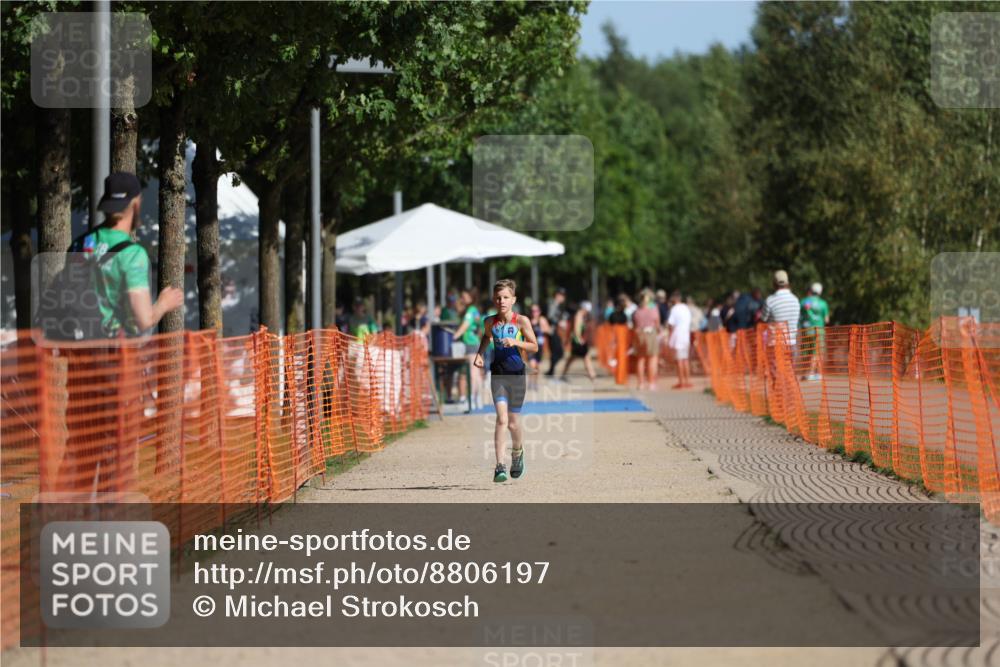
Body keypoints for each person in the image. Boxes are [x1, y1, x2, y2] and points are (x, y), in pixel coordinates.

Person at [57, 172, 184, 493]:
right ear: (135, 203)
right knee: (116, 452)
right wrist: (163, 304)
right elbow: (142, 320)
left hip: (80, 363)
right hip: (116, 364)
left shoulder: (80, 245)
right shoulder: (131, 254)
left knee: (81, 449)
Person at [473, 279, 538, 483]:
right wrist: (480, 354)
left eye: (506, 297)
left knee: (513, 423)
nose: (502, 301)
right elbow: (486, 337)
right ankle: (499, 465)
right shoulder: (489, 322)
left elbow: (534, 346)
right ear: (494, 300)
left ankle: (517, 453)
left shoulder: (521, 321)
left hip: (517, 375)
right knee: (501, 419)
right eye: (498, 298)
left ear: (513, 300)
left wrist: (516, 341)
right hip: (498, 375)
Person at [453, 289, 483, 408]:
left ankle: (471, 399)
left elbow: (465, 325)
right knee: (476, 372)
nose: (462, 299)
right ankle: (477, 398)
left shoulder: (471, 311)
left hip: (470, 344)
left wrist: (455, 336)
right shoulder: (474, 310)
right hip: (474, 343)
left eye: (464, 297)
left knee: (473, 372)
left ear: (471, 298)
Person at [761, 270, 801, 349]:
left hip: (775, 344)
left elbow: (763, 321)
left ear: (774, 284)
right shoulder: (795, 300)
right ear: (787, 283)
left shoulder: (770, 300)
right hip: (791, 344)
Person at [800, 282, 830, 381]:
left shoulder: (804, 301)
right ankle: (812, 373)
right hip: (818, 331)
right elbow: (826, 320)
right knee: (816, 353)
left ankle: (805, 373)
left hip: (806, 330)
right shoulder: (823, 303)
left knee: (806, 352)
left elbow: (800, 315)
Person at [632, 289, 661, 390]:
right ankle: (651, 383)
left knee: (641, 359)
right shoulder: (653, 309)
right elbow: (657, 324)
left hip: (640, 334)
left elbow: (635, 324)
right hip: (651, 333)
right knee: (652, 359)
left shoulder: (637, 311)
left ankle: (640, 383)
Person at [561, 301, 597, 381]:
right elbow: (576, 329)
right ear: (584, 309)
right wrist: (580, 339)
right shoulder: (579, 315)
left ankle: (563, 374)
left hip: (578, 340)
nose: (588, 312)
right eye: (587, 310)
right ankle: (592, 375)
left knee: (572, 358)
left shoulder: (581, 316)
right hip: (578, 341)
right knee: (586, 357)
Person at [667, 290, 693, 389]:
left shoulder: (675, 309)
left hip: (678, 337)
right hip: (686, 336)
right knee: (685, 359)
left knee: (679, 360)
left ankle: (681, 381)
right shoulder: (686, 308)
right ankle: (687, 381)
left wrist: (670, 335)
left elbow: (670, 323)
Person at [527, 303, 550, 391]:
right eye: (532, 311)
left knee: (537, 366)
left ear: (539, 312)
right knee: (532, 364)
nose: (534, 313)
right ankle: (530, 382)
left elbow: (548, 330)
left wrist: (541, 330)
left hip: (540, 346)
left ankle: (535, 383)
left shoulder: (542, 320)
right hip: (530, 346)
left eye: (536, 311)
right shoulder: (528, 321)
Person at [544, 287, 567, 376]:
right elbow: (550, 316)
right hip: (551, 331)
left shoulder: (558, 305)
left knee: (556, 352)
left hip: (554, 331)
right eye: (562, 295)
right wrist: (559, 322)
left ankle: (551, 370)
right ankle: (551, 371)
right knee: (558, 352)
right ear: (558, 295)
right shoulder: (553, 304)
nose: (563, 298)